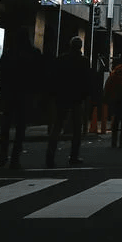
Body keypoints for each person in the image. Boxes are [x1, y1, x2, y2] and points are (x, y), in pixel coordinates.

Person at [0, 28, 42, 169]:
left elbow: (0, 73)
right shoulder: (34, 54)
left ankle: (3, 155)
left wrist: (4, 88)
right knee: (20, 127)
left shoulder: (9, 53)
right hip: (25, 95)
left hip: (9, 94)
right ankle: (15, 157)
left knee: (5, 126)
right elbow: (38, 75)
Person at [45, 36, 90, 168]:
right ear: (80, 47)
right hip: (77, 97)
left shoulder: (61, 59)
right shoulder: (84, 61)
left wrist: (52, 94)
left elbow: (53, 77)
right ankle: (74, 156)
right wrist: (86, 96)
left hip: (61, 96)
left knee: (57, 126)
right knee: (77, 128)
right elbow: (87, 80)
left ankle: (50, 156)